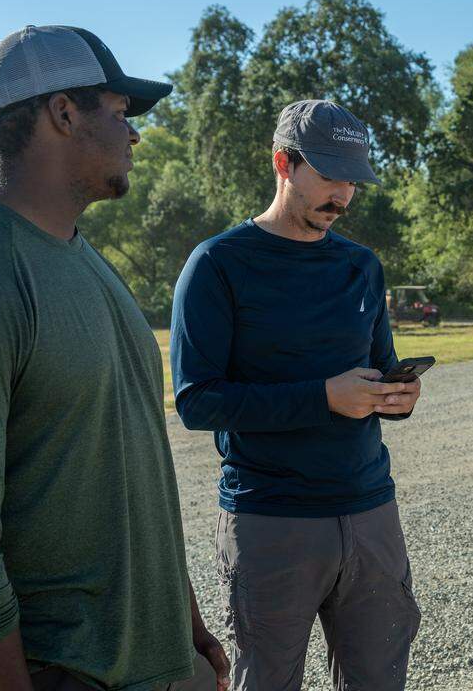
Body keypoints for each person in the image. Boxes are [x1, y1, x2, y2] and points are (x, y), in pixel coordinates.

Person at [0, 25, 229, 691]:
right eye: (121, 113)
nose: (135, 135)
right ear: (63, 113)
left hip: (156, 664)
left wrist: (187, 626)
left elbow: (128, 467)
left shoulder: (82, 256)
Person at [170, 100, 424, 691]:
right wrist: (322, 398)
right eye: (330, 176)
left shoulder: (362, 265)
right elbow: (196, 401)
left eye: (353, 180)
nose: (344, 195)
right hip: (271, 518)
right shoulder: (218, 264)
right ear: (284, 163)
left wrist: (399, 395)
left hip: (370, 512)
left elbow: (381, 370)